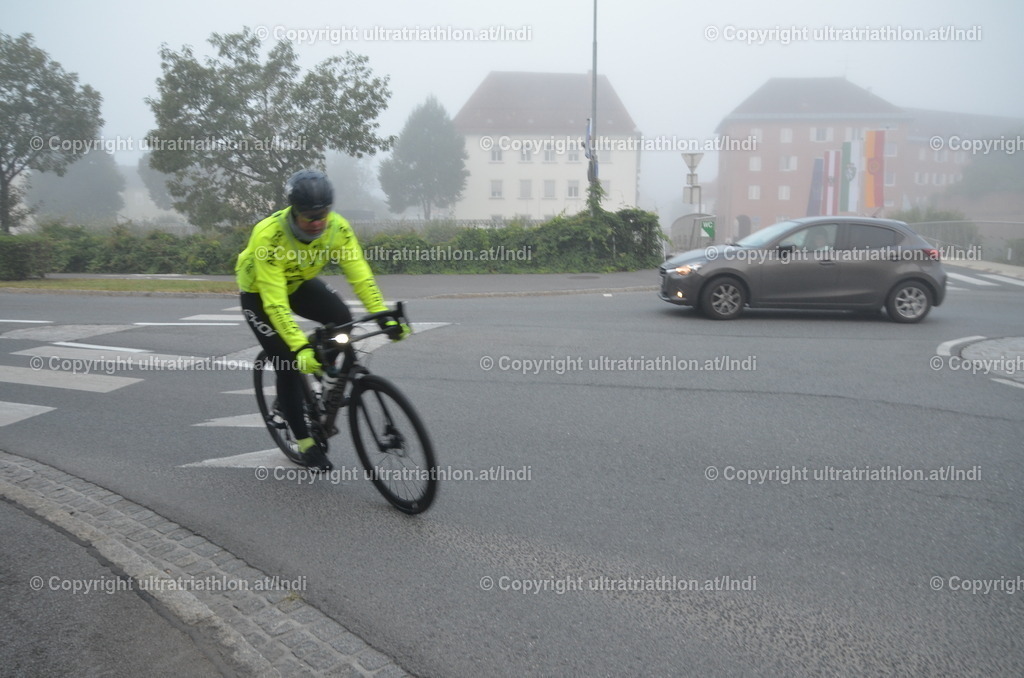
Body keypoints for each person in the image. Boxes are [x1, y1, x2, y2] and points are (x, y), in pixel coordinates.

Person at [236, 169, 410, 471]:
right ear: (294, 213)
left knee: (341, 317)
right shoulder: (269, 236)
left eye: (323, 215)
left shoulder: (338, 228)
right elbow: (275, 304)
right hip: (260, 294)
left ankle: (328, 375)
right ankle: (305, 443)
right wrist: (299, 348)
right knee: (289, 362)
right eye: (309, 218)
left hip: (299, 282)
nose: (317, 223)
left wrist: (384, 316)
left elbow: (360, 274)